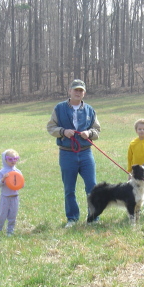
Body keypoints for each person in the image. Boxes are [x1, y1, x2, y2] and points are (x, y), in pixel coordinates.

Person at [47, 79, 101, 228]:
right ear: (69, 91)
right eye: (75, 90)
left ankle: (94, 217)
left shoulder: (90, 110)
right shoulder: (59, 108)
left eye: (81, 90)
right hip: (67, 154)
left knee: (92, 186)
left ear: (84, 93)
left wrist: (89, 133)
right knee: (69, 188)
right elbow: (51, 127)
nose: (78, 93)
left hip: (85, 154)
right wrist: (63, 131)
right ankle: (72, 218)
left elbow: (97, 130)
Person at [0, 149, 23, 236]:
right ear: (4, 159)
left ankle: (10, 231)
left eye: (15, 159)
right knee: (2, 215)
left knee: (13, 216)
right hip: (5, 197)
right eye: (10, 159)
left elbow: (22, 185)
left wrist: (20, 182)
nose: (13, 161)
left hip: (15, 196)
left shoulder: (17, 172)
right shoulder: (2, 172)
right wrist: (3, 179)